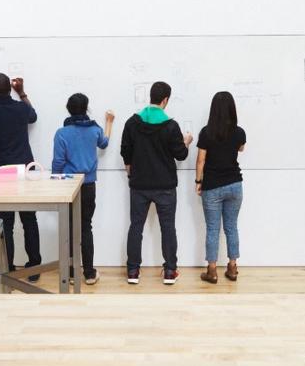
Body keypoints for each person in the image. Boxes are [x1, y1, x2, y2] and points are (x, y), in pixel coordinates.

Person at [120, 81, 193, 285]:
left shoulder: (132, 122)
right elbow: (180, 154)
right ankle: (170, 271)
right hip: (165, 186)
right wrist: (186, 142)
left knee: (136, 226)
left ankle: (133, 271)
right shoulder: (171, 126)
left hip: (139, 185)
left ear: (150, 97)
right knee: (168, 227)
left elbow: (125, 150)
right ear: (165, 100)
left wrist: (130, 171)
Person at [0, 73, 42, 280]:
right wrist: (22, 92)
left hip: (3, 171)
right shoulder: (21, 108)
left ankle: (8, 268)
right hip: (25, 169)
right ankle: (34, 267)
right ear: (9, 89)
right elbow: (33, 116)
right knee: (29, 220)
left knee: (5, 222)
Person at [51, 93, 114, 285]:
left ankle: (70, 272)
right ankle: (89, 273)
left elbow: (58, 162)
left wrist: (54, 181)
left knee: (69, 228)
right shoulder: (94, 130)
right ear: (86, 109)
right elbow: (104, 143)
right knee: (86, 227)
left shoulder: (62, 133)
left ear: (68, 109)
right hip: (88, 186)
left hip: (68, 185)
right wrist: (109, 122)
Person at [195, 91, 246, 284]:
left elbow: (201, 160)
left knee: (213, 229)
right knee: (232, 227)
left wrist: (198, 181)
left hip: (212, 186)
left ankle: (212, 270)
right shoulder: (239, 132)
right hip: (234, 184)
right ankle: (232, 268)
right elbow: (240, 148)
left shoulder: (206, 132)